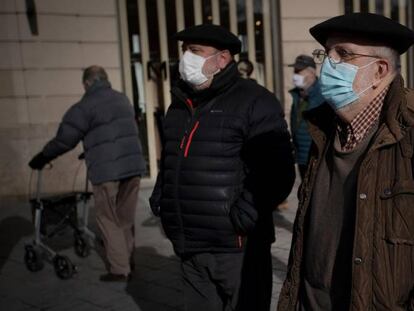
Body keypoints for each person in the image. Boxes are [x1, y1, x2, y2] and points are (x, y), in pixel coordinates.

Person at [149, 24, 295, 311]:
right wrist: (161, 199)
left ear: (224, 58)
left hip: (238, 249)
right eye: (184, 51)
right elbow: (172, 158)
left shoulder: (255, 101)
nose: (185, 59)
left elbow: (277, 172)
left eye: (195, 51)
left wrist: (241, 217)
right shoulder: (179, 104)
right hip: (190, 244)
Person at [278, 13, 414, 311]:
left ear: (380, 70)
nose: (328, 64)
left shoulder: (409, 135)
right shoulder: (323, 128)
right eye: (325, 53)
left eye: (343, 54)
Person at [28, 65, 146, 282]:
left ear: (87, 83)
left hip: (106, 172)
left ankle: (120, 269)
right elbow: (117, 132)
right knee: (125, 218)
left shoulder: (84, 107)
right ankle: (129, 259)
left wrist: (42, 157)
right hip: (133, 167)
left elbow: (65, 140)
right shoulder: (122, 99)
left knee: (108, 219)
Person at [288, 55, 324, 180]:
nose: (295, 75)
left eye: (299, 71)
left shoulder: (323, 94)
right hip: (302, 156)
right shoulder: (298, 94)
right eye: (294, 71)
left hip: (317, 157)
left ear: (312, 72)